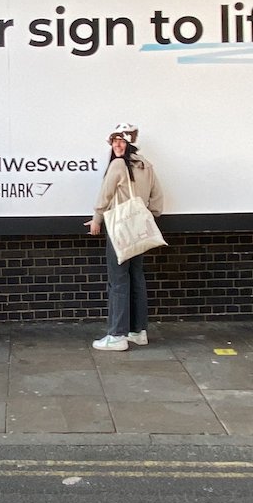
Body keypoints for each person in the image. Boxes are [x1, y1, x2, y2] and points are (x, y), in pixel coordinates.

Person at [87, 123, 165, 352]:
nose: (117, 145)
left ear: (130, 142)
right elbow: (158, 201)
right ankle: (138, 331)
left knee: (118, 280)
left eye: (122, 140)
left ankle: (117, 335)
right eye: (114, 140)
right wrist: (144, 216)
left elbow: (105, 196)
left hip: (119, 229)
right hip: (140, 228)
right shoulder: (147, 166)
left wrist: (96, 219)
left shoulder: (118, 165)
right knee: (136, 277)